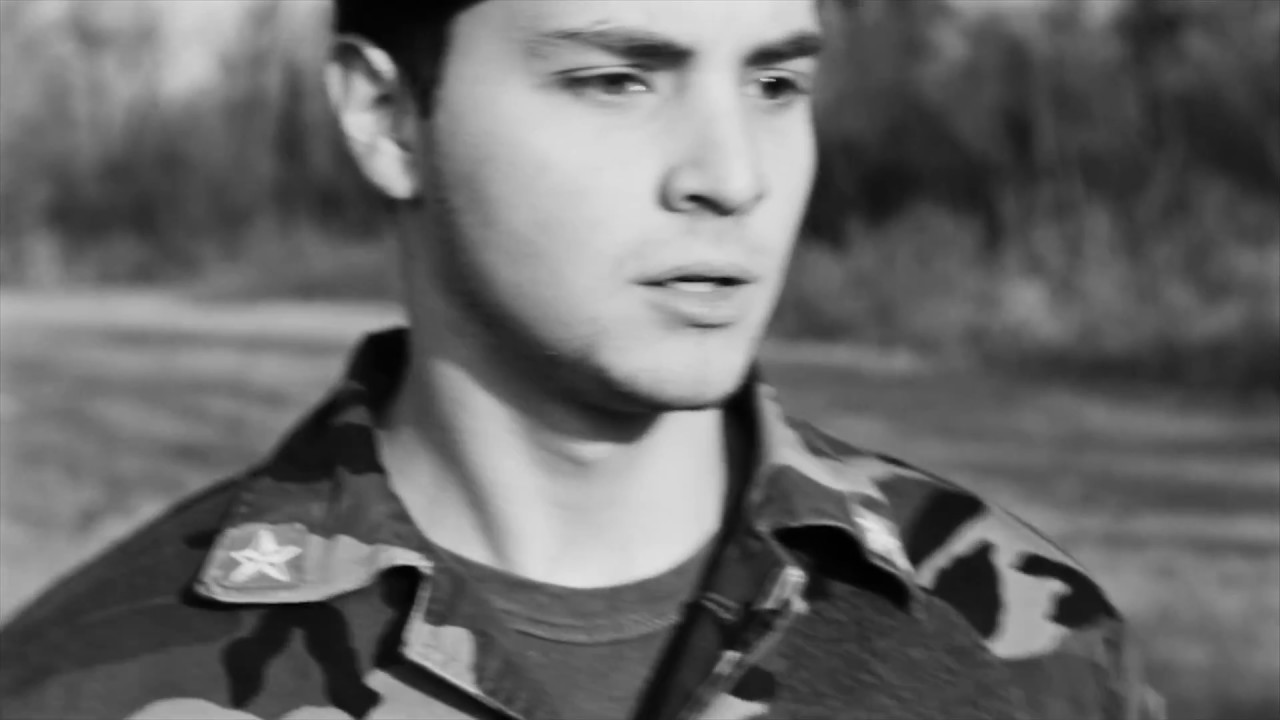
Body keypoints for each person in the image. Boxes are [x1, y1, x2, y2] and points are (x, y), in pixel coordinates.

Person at [0, 2, 1163, 718]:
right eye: (616, 79)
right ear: (387, 118)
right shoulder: (88, 684)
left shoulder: (1021, 644)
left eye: (775, 83)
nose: (731, 176)